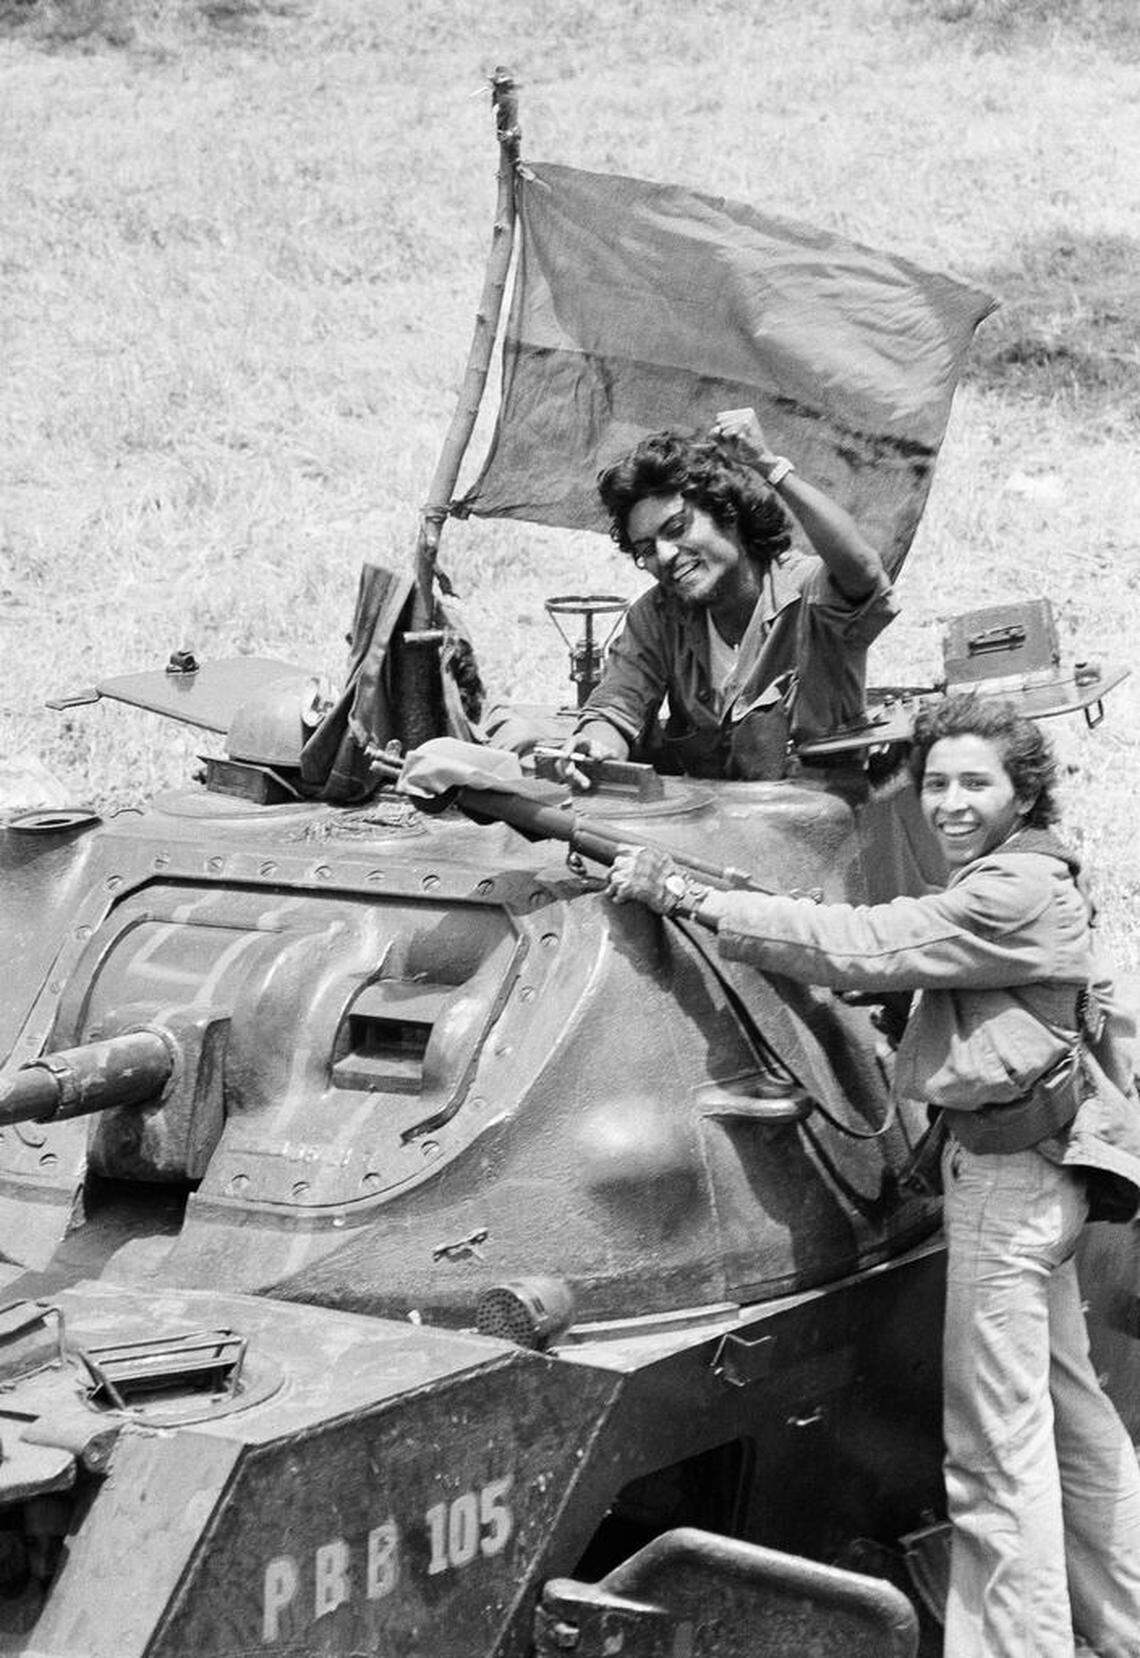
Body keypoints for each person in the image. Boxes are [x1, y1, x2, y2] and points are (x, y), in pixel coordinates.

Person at [605, 692, 1140, 1658]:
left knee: (994, 1458)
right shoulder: (1028, 875)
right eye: (936, 783)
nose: (950, 802)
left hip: (1006, 1193)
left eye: (976, 782)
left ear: (1023, 792)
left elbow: (873, 943)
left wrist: (691, 899)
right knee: (1072, 1421)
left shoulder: (1005, 894)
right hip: (1042, 1183)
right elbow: (899, 946)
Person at [559, 406, 897, 786]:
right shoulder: (658, 616)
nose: (666, 555)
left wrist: (772, 468)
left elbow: (863, 570)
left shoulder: (807, 594)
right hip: (713, 834)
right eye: (647, 549)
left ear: (728, 512)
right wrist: (594, 747)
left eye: (676, 527)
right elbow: (618, 704)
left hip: (819, 831)